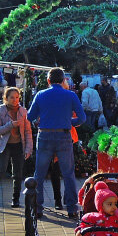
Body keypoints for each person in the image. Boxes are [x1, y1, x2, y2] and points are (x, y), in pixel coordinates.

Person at [28, 67, 85, 220]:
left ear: (48, 80)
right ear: (63, 80)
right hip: (63, 135)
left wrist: (40, 120)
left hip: (45, 135)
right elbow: (82, 118)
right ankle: (72, 209)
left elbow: (30, 116)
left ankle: (37, 208)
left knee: (39, 174)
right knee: (68, 173)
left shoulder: (40, 94)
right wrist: (69, 122)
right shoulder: (70, 95)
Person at [0, 87, 33, 209]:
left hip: (18, 145)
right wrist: (10, 125)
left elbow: (28, 132)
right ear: (6, 98)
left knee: (18, 173)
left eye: (17, 97)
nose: (15, 100)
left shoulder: (23, 111)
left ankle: (15, 199)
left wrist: (28, 149)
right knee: (1, 170)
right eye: (12, 97)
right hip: (4, 145)